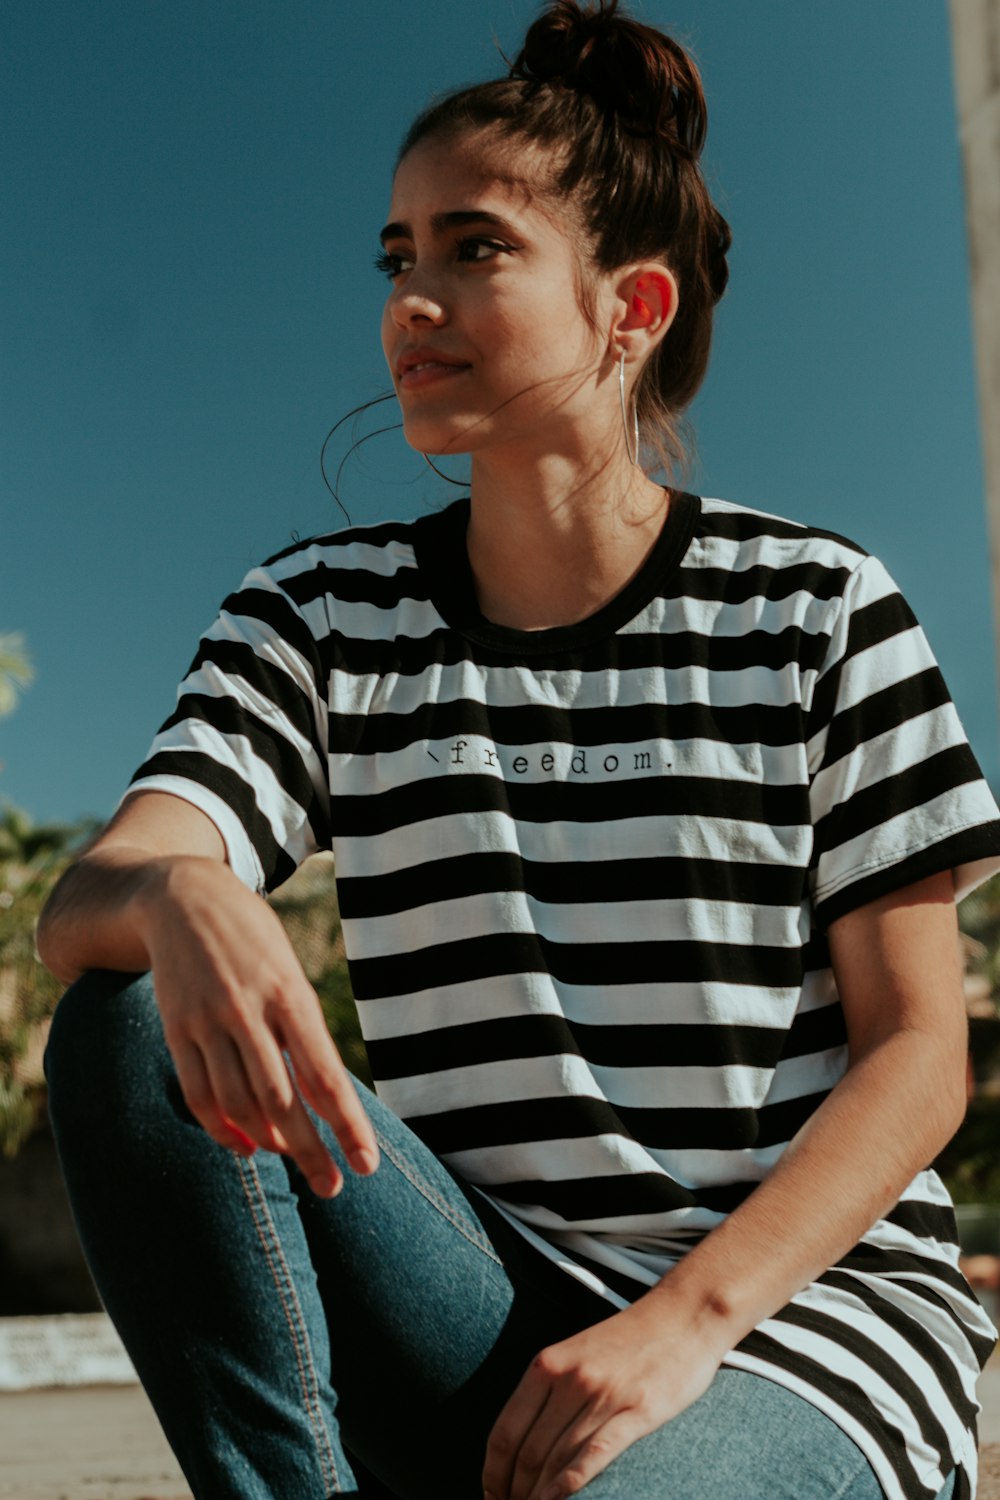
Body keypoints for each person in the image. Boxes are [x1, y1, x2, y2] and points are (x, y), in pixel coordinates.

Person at [39, 3, 1000, 1498]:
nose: (411, 300)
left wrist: (682, 1326)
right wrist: (174, 895)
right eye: (396, 256)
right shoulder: (320, 615)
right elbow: (89, 900)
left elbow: (921, 1055)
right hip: (478, 1299)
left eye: (473, 248)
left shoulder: (819, 606)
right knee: (127, 1012)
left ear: (634, 308)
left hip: (797, 1318)